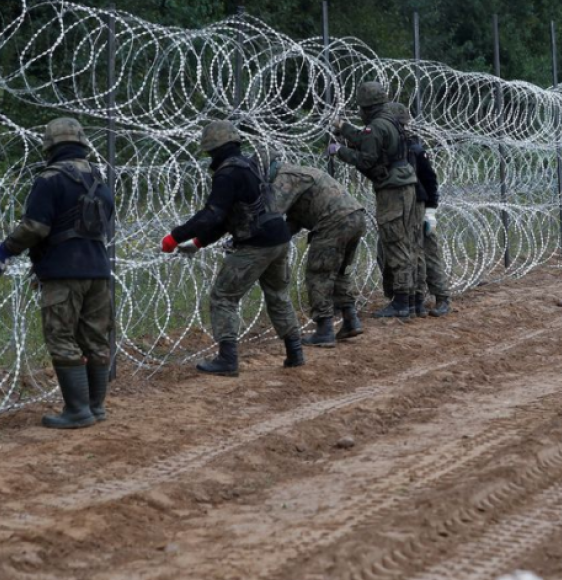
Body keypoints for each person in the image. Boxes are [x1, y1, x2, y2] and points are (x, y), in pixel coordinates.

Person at [0, 118, 114, 429]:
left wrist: (4, 251)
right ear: (82, 144)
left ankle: (76, 411)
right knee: (96, 340)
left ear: (50, 147)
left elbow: (36, 226)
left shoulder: (50, 179)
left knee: (61, 337)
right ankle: (95, 407)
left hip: (63, 272)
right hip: (99, 270)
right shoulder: (100, 179)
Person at [160, 120, 304, 376]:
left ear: (213, 148)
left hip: (257, 243)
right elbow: (232, 217)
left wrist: (175, 236)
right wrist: (198, 242)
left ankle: (227, 360)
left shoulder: (227, 173)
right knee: (278, 295)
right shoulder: (248, 166)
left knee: (223, 297)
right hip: (278, 237)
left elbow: (212, 214)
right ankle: (295, 353)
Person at [331, 81, 418, 319]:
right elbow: (365, 138)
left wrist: (339, 151)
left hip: (392, 191)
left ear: (366, 107)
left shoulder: (377, 126)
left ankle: (401, 303)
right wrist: (344, 128)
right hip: (405, 186)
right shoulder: (388, 121)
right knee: (404, 241)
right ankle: (408, 299)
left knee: (394, 242)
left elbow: (367, 159)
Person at [270, 163, 366, 347]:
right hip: (355, 217)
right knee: (341, 273)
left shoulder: (283, 178)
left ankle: (324, 330)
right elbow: (294, 221)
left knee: (319, 275)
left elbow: (274, 212)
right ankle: (350, 320)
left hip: (334, 222)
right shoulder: (300, 173)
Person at [392, 103, 453, 318]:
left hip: (420, 205)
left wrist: (431, 210)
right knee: (412, 253)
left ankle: (442, 298)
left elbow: (430, 180)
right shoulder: (395, 146)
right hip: (405, 208)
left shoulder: (414, 148)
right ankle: (415, 299)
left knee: (429, 251)